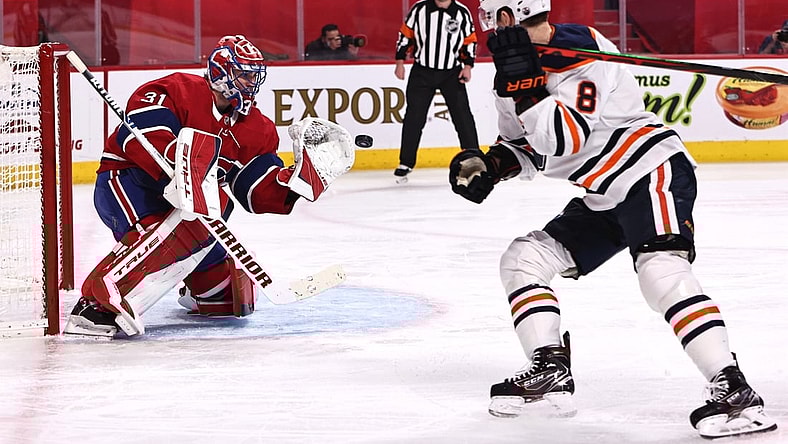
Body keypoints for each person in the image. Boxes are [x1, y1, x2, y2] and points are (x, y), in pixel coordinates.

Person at [449, 0, 777, 439]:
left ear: (505, 16)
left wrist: (526, 87)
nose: (486, 25)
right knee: (524, 259)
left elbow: (564, 137)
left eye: (490, 16)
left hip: (647, 169)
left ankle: (734, 390)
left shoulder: (582, 49)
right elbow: (529, 148)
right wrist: (492, 166)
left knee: (661, 270)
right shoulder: (509, 75)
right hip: (603, 190)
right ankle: (549, 372)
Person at [64, 35, 354, 338]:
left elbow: (254, 189)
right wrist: (177, 167)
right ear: (221, 71)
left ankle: (192, 283)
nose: (251, 83)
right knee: (163, 236)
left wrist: (294, 180)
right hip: (131, 185)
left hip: (190, 209)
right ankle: (95, 307)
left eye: (254, 76)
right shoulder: (175, 90)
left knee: (229, 299)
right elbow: (139, 137)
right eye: (244, 74)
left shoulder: (257, 127)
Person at [393, 0, 480, 182]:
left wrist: (468, 66)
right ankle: (406, 162)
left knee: (462, 116)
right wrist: (400, 62)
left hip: (451, 72)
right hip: (422, 71)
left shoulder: (462, 12)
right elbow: (405, 34)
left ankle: (474, 159)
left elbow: (469, 40)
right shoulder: (419, 8)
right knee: (414, 117)